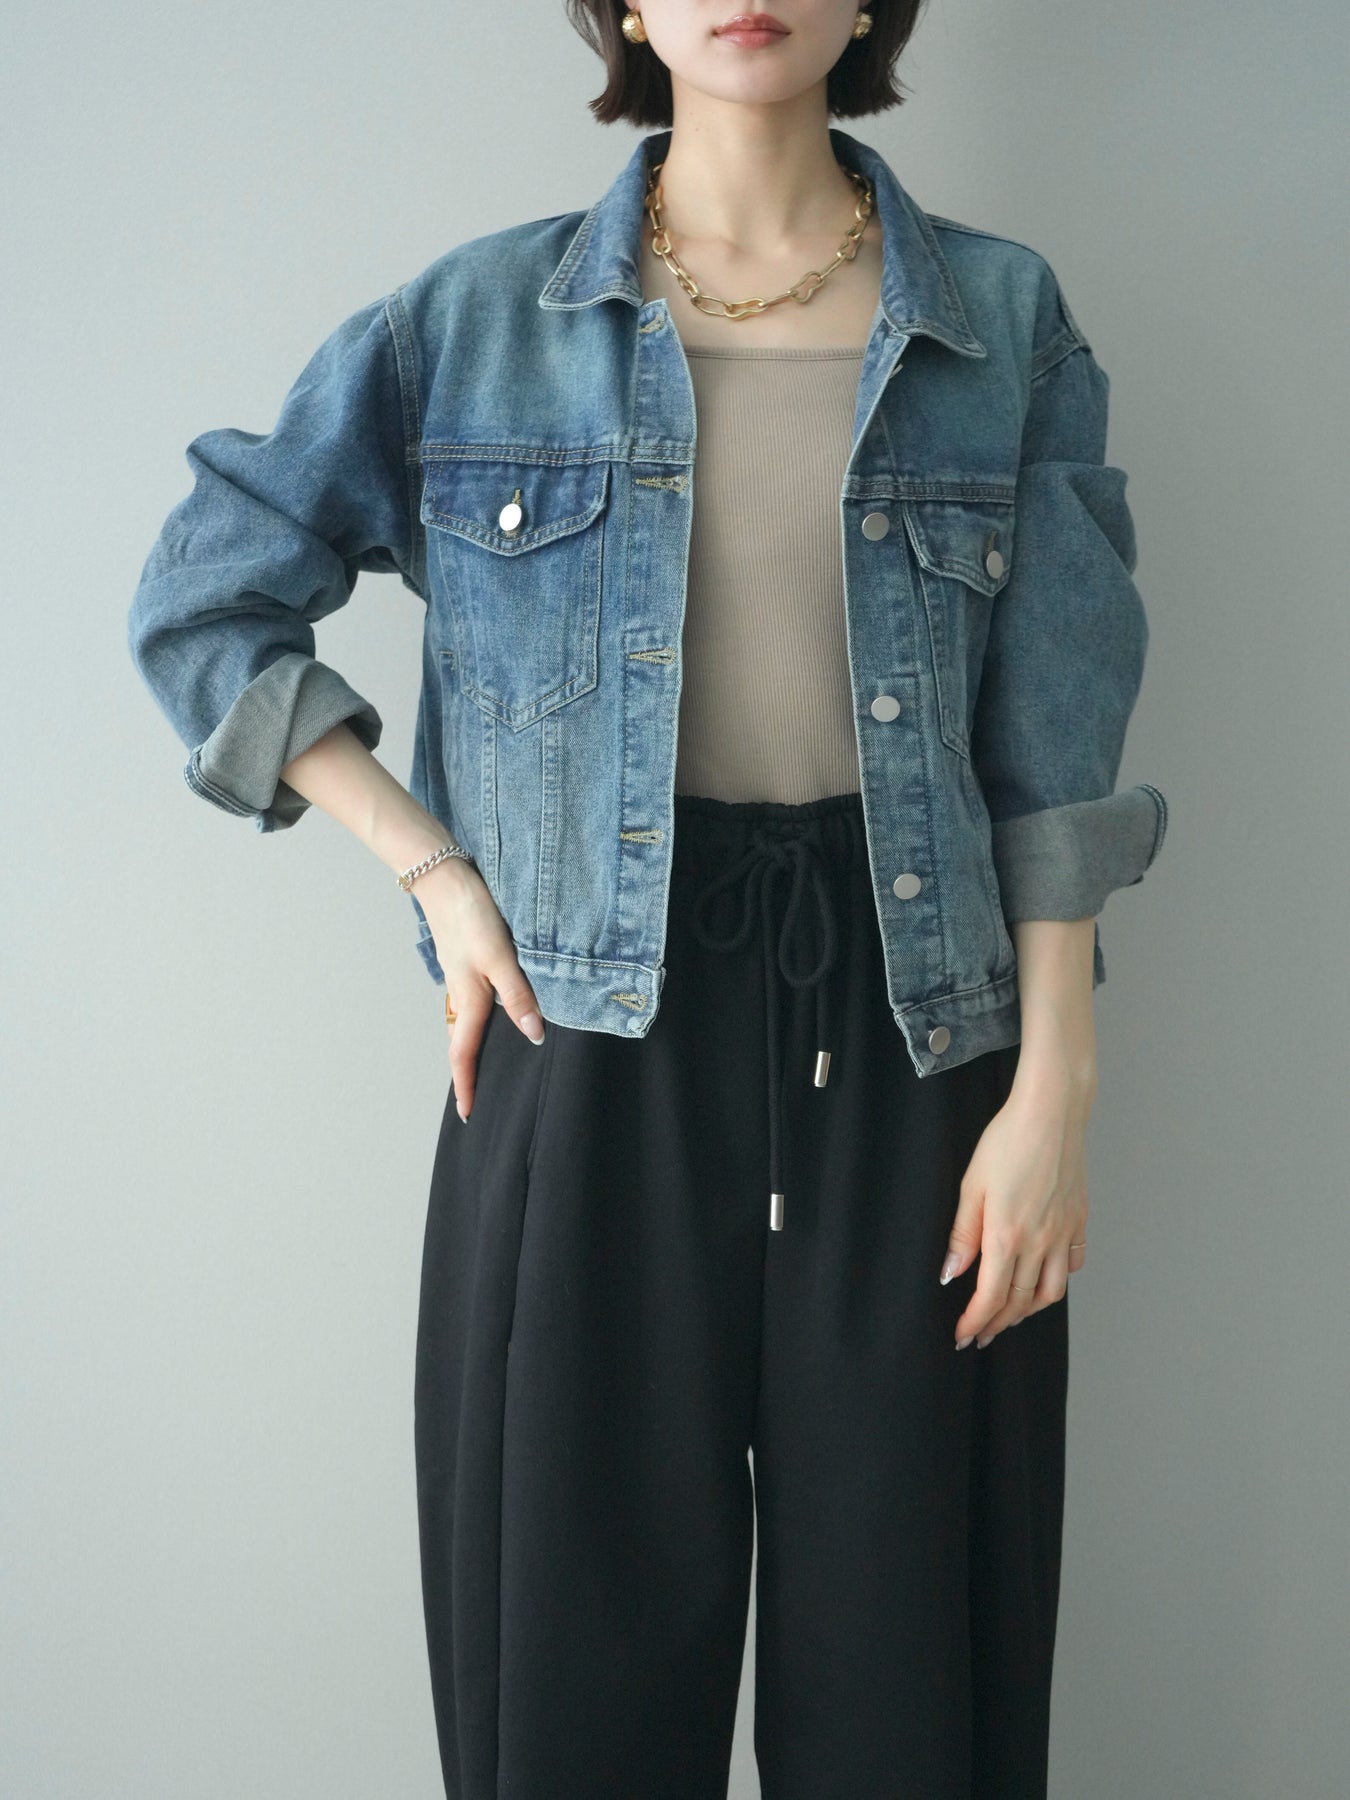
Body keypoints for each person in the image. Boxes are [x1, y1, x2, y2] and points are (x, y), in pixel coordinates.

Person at [127, 3, 1169, 1794]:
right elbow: (205, 598)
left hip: (920, 1033)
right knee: (569, 1673)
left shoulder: (1003, 319)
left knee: (917, 1679)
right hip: (581, 1027)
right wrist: (435, 870)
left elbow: (1054, 743)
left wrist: (1055, 1092)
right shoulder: (473, 323)